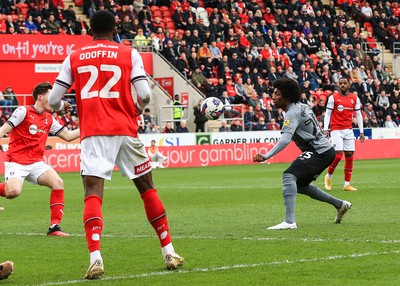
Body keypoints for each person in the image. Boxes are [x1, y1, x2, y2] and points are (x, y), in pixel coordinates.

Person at [48, 10, 183, 280]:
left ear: (89, 29)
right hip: (125, 129)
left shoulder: (74, 56)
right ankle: (168, 251)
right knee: (147, 189)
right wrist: (135, 109)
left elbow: (53, 101)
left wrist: (62, 106)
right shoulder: (129, 53)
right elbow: (144, 94)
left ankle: (95, 257)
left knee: (93, 193)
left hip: (93, 133)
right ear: (115, 28)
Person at [253, 78, 352, 230]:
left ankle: (289, 222)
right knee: (299, 185)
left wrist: (266, 155)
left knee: (289, 176)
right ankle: (340, 204)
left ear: (287, 97)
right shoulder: (302, 106)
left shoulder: (291, 113)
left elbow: (285, 140)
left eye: (277, 94)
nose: (273, 97)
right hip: (324, 150)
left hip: (319, 151)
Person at [0, 82, 79, 236]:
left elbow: (68, 137)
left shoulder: (49, 119)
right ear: (40, 96)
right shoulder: (23, 111)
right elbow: (3, 130)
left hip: (36, 163)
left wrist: (91, 126)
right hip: (16, 161)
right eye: (51, 95)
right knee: (13, 192)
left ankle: (54, 227)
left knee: (58, 183)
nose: (54, 99)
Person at [323, 77, 365, 192]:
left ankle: (347, 184)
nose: (342, 85)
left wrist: (361, 131)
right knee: (338, 155)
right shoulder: (333, 98)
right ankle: (328, 176)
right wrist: (326, 128)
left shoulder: (354, 98)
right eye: (340, 83)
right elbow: (327, 114)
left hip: (349, 130)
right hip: (336, 129)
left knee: (350, 155)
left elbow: (359, 115)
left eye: (344, 83)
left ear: (349, 85)